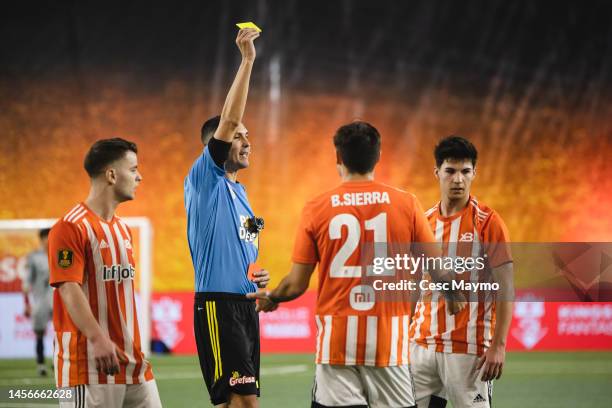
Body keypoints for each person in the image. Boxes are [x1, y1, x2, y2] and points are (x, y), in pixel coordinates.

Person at [250, 121, 463, 407]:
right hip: (388, 345)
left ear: (338, 158)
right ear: (378, 155)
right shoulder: (406, 204)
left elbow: (296, 283)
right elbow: (439, 270)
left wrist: (273, 297)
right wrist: (452, 293)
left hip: (337, 346)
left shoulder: (317, 207)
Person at [184, 27, 269, 408]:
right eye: (238, 136)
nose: (246, 140)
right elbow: (230, 120)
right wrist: (248, 60)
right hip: (218, 306)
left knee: (235, 405)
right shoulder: (205, 179)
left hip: (244, 305)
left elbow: (247, 241)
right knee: (244, 403)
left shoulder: (243, 195)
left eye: (248, 135)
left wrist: (256, 271)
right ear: (215, 144)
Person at [47, 138, 161, 407]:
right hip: (89, 364)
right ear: (111, 175)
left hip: (132, 364)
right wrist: (98, 339)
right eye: (133, 170)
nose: (139, 177)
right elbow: (68, 287)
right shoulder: (70, 227)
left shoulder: (122, 229)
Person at [409, 136, 514, 408]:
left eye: (465, 172)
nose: (458, 179)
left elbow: (506, 287)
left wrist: (498, 346)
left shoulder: (488, 223)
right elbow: (416, 285)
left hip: (468, 350)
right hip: (422, 345)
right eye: (450, 171)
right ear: (437, 173)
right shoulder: (424, 222)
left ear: (474, 174)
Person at [23, 228, 53, 376]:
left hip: (59, 300)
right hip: (41, 300)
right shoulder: (34, 257)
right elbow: (27, 281)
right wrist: (26, 303)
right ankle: (41, 364)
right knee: (40, 332)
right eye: (46, 238)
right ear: (41, 239)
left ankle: (57, 361)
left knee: (63, 332)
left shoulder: (61, 254)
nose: (48, 240)